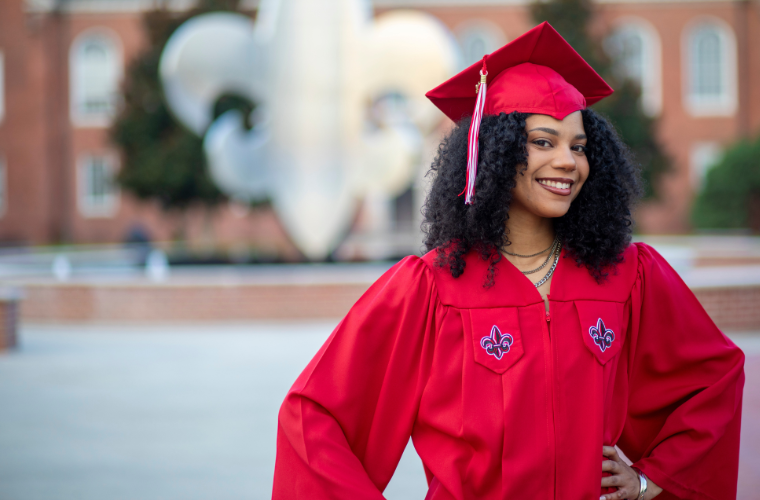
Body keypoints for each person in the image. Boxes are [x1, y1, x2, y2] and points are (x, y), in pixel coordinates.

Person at [272, 22, 744, 500]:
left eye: (578, 146)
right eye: (544, 141)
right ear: (493, 153)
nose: (567, 161)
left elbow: (713, 381)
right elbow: (315, 417)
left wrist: (651, 480)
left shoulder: (626, 274)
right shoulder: (432, 287)